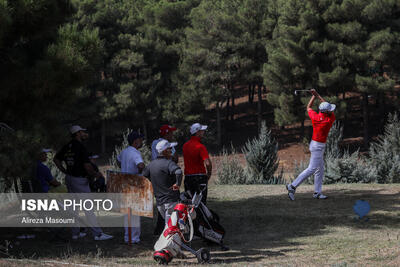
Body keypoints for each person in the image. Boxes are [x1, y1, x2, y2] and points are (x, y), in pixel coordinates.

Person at [54, 125, 113, 241]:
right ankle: (98, 234)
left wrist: (64, 171)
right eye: (82, 132)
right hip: (80, 180)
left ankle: (75, 234)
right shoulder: (81, 147)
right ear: (77, 133)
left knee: (73, 208)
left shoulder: (67, 146)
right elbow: (87, 166)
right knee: (88, 208)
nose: (84, 134)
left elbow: (56, 159)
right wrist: (96, 174)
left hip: (70, 178)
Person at [286, 89, 336, 200]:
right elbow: (329, 111)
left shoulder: (316, 117)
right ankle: (292, 186)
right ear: (326, 112)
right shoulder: (328, 120)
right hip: (318, 146)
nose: (330, 111)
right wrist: (318, 95)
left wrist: (313, 97)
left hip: (315, 144)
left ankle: (317, 193)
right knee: (312, 169)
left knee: (320, 169)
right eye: (329, 110)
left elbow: (308, 107)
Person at [143, 140, 182, 224]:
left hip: (159, 202)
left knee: (168, 224)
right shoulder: (169, 163)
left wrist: (154, 181)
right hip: (171, 200)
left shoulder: (151, 164)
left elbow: (144, 174)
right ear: (164, 151)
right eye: (170, 148)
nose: (172, 150)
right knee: (172, 226)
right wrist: (177, 184)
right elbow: (178, 172)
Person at [117, 131, 145, 244]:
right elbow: (141, 165)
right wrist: (139, 174)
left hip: (124, 182)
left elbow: (118, 160)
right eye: (140, 139)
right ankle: (134, 238)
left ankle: (127, 236)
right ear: (136, 141)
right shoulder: (135, 153)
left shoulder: (124, 151)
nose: (142, 141)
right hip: (133, 183)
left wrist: (124, 168)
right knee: (134, 212)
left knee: (127, 212)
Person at [151, 124, 178, 235]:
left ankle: (160, 228)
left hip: (156, 172)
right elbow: (176, 158)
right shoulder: (167, 145)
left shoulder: (154, 143)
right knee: (169, 201)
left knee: (160, 201)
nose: (172, 134)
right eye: (170, 132)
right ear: (166, 134)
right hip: (166, 172)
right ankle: (168, 228)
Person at [182, 123, 212, 204]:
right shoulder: (200, 146)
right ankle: (201, 216)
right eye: (202, 131)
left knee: (190, 201)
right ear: (197, 132)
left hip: (188, 177)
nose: (203, 132)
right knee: (201, 202)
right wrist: (209, 173)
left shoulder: (185, 146)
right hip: (200, 177)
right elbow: (208, 163)